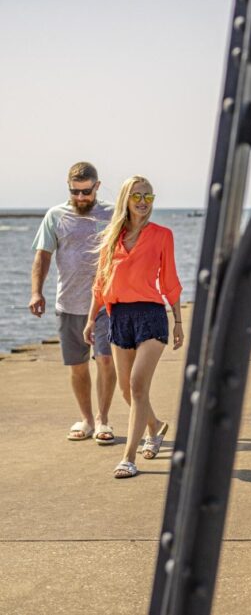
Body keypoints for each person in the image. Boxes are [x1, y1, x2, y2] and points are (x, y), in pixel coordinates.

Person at [85, 176, 183, 479]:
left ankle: (128, 457)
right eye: (137, 196)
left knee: (139, 384)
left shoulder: (162, 235)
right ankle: (155, 427)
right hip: (119, 317)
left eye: (148, 197)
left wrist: (178, 321)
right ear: (126, 200)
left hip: (151, 315)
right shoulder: (111, 238)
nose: (143, 202)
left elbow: (170, 281)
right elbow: (101, 285)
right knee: (127, 391)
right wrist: (91, 319)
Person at [29, 162, 119, 444]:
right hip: (68, 303)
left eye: (86, 192)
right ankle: (87, 420)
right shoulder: (56, 215)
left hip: (106, 304)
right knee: (78, 366)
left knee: (105, 359)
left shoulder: (112, 213)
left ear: (97, 186)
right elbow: (42, 256)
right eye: (75, 192)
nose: (80, 198)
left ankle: (104, 420)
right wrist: (36, 292)